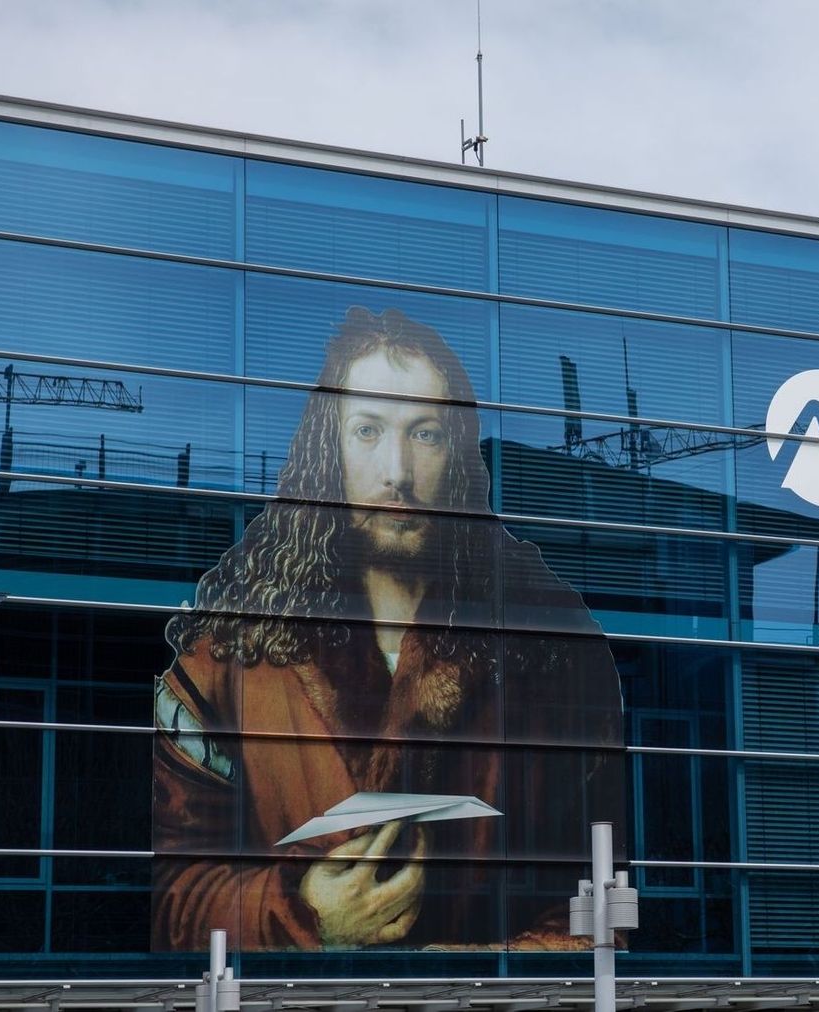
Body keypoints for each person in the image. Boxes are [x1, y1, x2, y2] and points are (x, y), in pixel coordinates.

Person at [152, 307, 623, 951]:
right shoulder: (230, 657)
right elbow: (166, 889)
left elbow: (603, 900)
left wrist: (467, 977)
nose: (396, 471)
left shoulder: (554, 651)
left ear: (458, 456)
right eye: (368, 431)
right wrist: (300, 914)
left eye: (424, 434)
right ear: (329, 450)